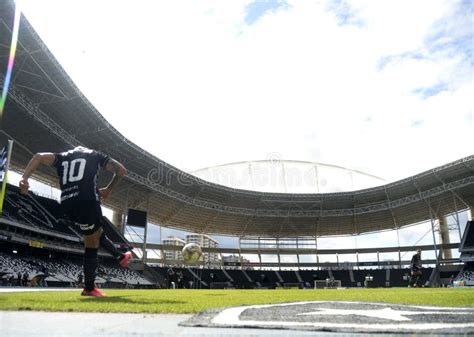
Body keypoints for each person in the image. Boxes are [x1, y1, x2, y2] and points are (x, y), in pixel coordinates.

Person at [19, 146, 131, 297]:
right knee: (91, 242)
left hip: (66, 204)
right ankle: (90, 288)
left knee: (95, 231)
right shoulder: (95, 155)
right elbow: (121, 170)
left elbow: (38, 155)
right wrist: (109, 189)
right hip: (87, 201)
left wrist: (24, 179)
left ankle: (120, 256)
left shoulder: (62, 156)